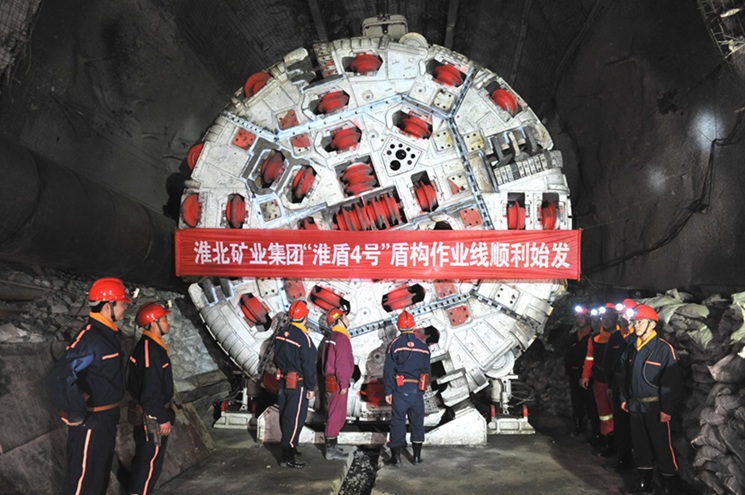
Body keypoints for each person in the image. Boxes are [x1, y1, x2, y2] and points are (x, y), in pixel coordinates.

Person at [45, 277, 132, 495]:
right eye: (122, 303)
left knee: (98, 479)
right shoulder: (91, 338)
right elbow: (59, 375)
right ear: (108, 306)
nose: (125, 308)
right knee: (82, 481)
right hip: (92, 422)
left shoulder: (108, 334)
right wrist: (76, 411)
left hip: (106, 419)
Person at [619, 304, 683, 494]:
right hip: (636, 405)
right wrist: (624, 398)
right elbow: (623, 375)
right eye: (635, 322)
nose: (636, 325)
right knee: (640, 445)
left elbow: (672, 382)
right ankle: (644, 483)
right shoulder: (631, 347)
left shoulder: (663, 349)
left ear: (652, 324)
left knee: (661, 446)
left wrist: (667, 409)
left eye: (640, 322)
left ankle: (668, 485)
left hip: (655, 407)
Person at [126, 302, 176, 495]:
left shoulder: (152, 347)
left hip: (153, 413)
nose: (168, 322)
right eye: (164, 319)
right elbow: (149, 390)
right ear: (153, 323)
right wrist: (161, 417)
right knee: (148, 465)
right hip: (152, 417)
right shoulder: (150, 351)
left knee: (146, 463)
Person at [384, 310, 431, 466]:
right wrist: (422, 389)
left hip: (400, 390)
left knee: (397, 422)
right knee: (417, 423)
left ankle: (396, 459)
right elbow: (427, 372)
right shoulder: (423, 346)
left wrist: (388, 391)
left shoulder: (394, 345)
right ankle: (416, 457)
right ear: (413, 325)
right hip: (417, 391)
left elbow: (388, 370)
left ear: (399, 327)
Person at [273, 300, 317, 468]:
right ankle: (287, 456)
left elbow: (275, 358)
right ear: (305, 317)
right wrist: (311, 387)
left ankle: (291, 446)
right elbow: (308, 366)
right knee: (295, 418)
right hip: (297, 384)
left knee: (285, 415)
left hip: (282, 382)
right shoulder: (304, 339)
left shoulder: (280, 333)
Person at [580, 303, 619, 454]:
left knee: (618, 413)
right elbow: (589, 357)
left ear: (615, 319)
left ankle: (620, 445)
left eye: (609, 318)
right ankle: (609, 443)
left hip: (616, 382)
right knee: (604, 413)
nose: (606, 321)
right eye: (604, 318)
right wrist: (585, 375)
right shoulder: (595, 338)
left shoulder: (621, 336)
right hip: (600, 380)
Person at [604, 299, 636, 472]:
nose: (623, 317)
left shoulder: (639, 336)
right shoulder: (616, 337)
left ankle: (638, 460)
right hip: (618, 385)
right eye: (621, 314)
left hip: (634, 387)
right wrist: (610, 384)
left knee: (636, 424)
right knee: (620, 423)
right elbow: (609, 362)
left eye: (626, 314)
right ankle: (623, 459)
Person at [320, 307, 354, 460]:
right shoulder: (342, 338)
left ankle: (333, 445)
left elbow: (324, 362)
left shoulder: (331, 337)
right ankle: (330, 450)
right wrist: (344, 383)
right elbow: (343, 363)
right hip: (338, 384)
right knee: (336, 415)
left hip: (330, 382)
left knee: (333, 413)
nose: (347, 319)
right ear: (339, 320)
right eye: (344, 316)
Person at [563, 306, 599, 438]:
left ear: (588, 318)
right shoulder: (573, 337)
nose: (579, 320)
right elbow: (568, 356)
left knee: (591, 403)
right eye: (577, 318)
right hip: (574, 374)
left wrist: (589, 374)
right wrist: (568, 373)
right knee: (576, 402)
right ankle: (578, 427)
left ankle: (595, 432)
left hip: (589, 375)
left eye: (582, 317)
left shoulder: (594, 336)